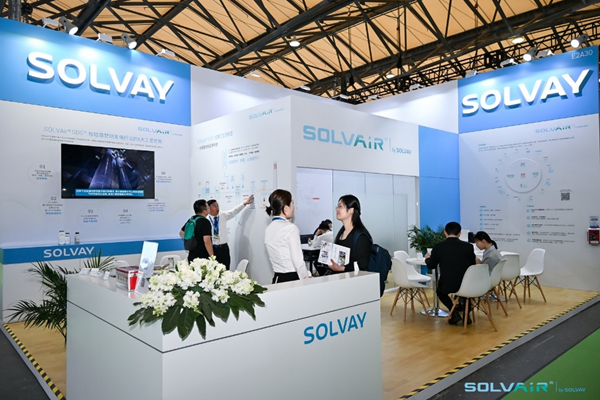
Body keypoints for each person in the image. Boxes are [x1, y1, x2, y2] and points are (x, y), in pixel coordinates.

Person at [425, 221, 476, 325]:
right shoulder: (468, 247)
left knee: (440, 292)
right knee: (466, 294)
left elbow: (431, 265)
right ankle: (466, 314)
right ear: (459, 233)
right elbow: (472, 265)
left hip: (447, 283)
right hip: (466, 283)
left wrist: (427, 258)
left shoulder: (439, 247)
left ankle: (454, 311)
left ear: (445, 233)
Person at [264, 189, 311, 283]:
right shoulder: (290, 228)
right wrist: (306, 278)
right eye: (292, 203)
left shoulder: (268, 229)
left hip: (277, 278)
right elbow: (297, 260)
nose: (294, 207)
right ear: (286, 208)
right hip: (292, 279)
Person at [206, 195, 254, 269]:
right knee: (214, 270)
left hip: (224, 248)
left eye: (217, 205)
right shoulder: (206, 220)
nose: (217, 208)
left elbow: (234, 211)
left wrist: (244, 204)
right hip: (213, 249)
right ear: (208, 208)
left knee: (226, 269)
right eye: (214, 206)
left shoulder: (222, 215)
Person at [327, 195, 371, 273]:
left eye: (340, 206)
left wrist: (342, 269)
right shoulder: (342, 232)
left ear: (351, 210)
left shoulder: (361, 236)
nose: (337, 209)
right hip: (341, 277)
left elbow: (363, 264)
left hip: (354, 279)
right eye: (337, 206)